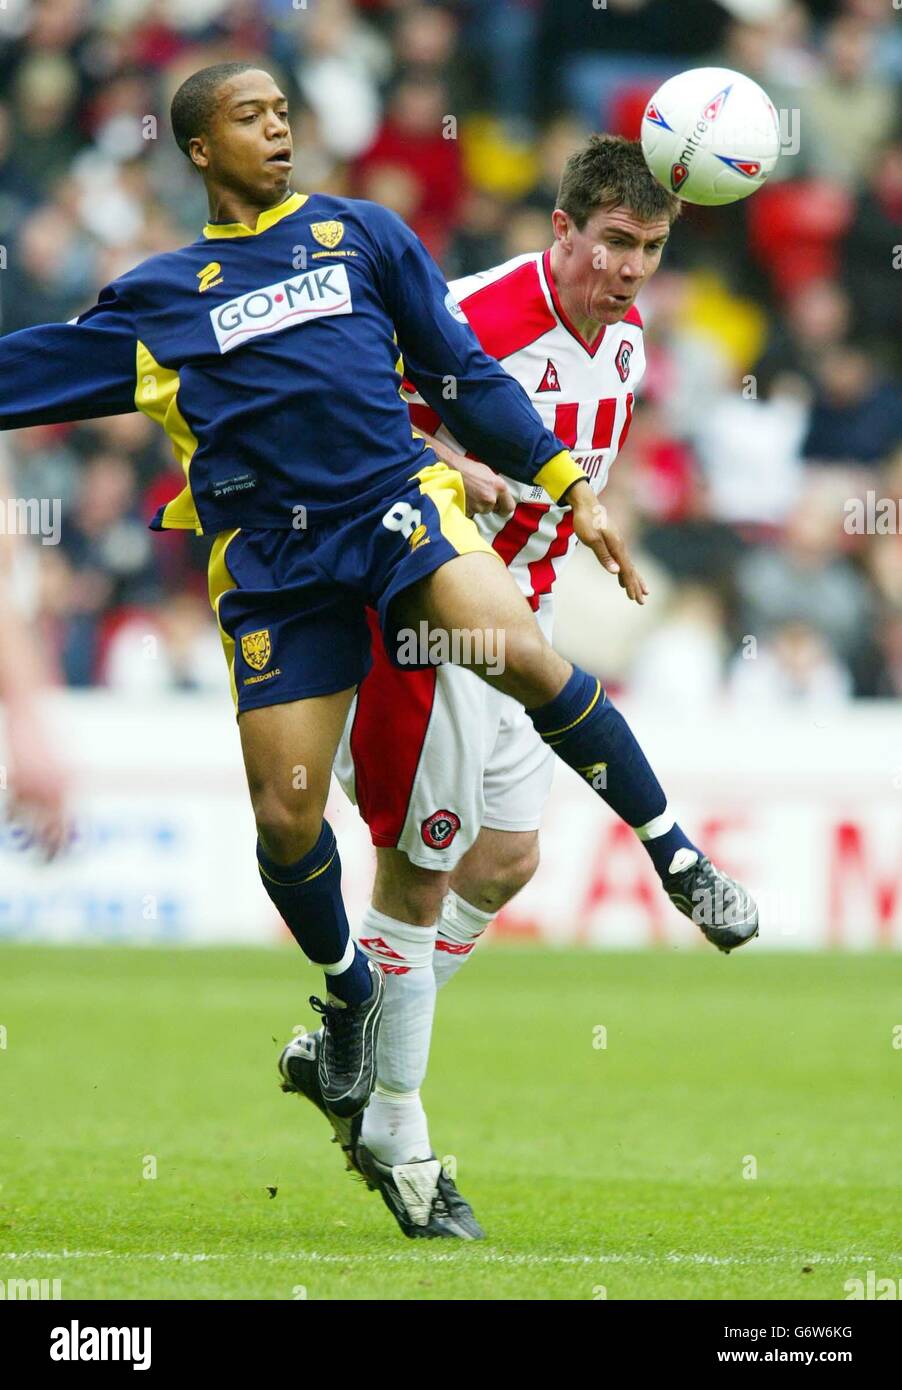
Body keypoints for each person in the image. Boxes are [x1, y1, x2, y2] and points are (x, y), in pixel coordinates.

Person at [0, 64, 755, 1187]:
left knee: (520, 680)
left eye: (283, 112)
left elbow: (460, 375)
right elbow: (25, 375)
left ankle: (673, 855)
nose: (277, 129)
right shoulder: (161, 297)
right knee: (288, 821)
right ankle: (353, 1004)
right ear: (198, 149)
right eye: (249, 116)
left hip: (397, 516)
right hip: (275, 568)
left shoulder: (361, 235)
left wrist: (563, 482)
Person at [278, 137, 760, 1239]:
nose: (629, 269)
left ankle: (348, 1043)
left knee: (505, 862)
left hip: (524, 621)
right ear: (562, 229)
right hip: (435, 611)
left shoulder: (628, 338)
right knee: (419, 878)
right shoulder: (473, 314)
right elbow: (358, 420)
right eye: (613, 243)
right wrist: (456, 467)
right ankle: (397, 1139)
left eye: (650, 248)